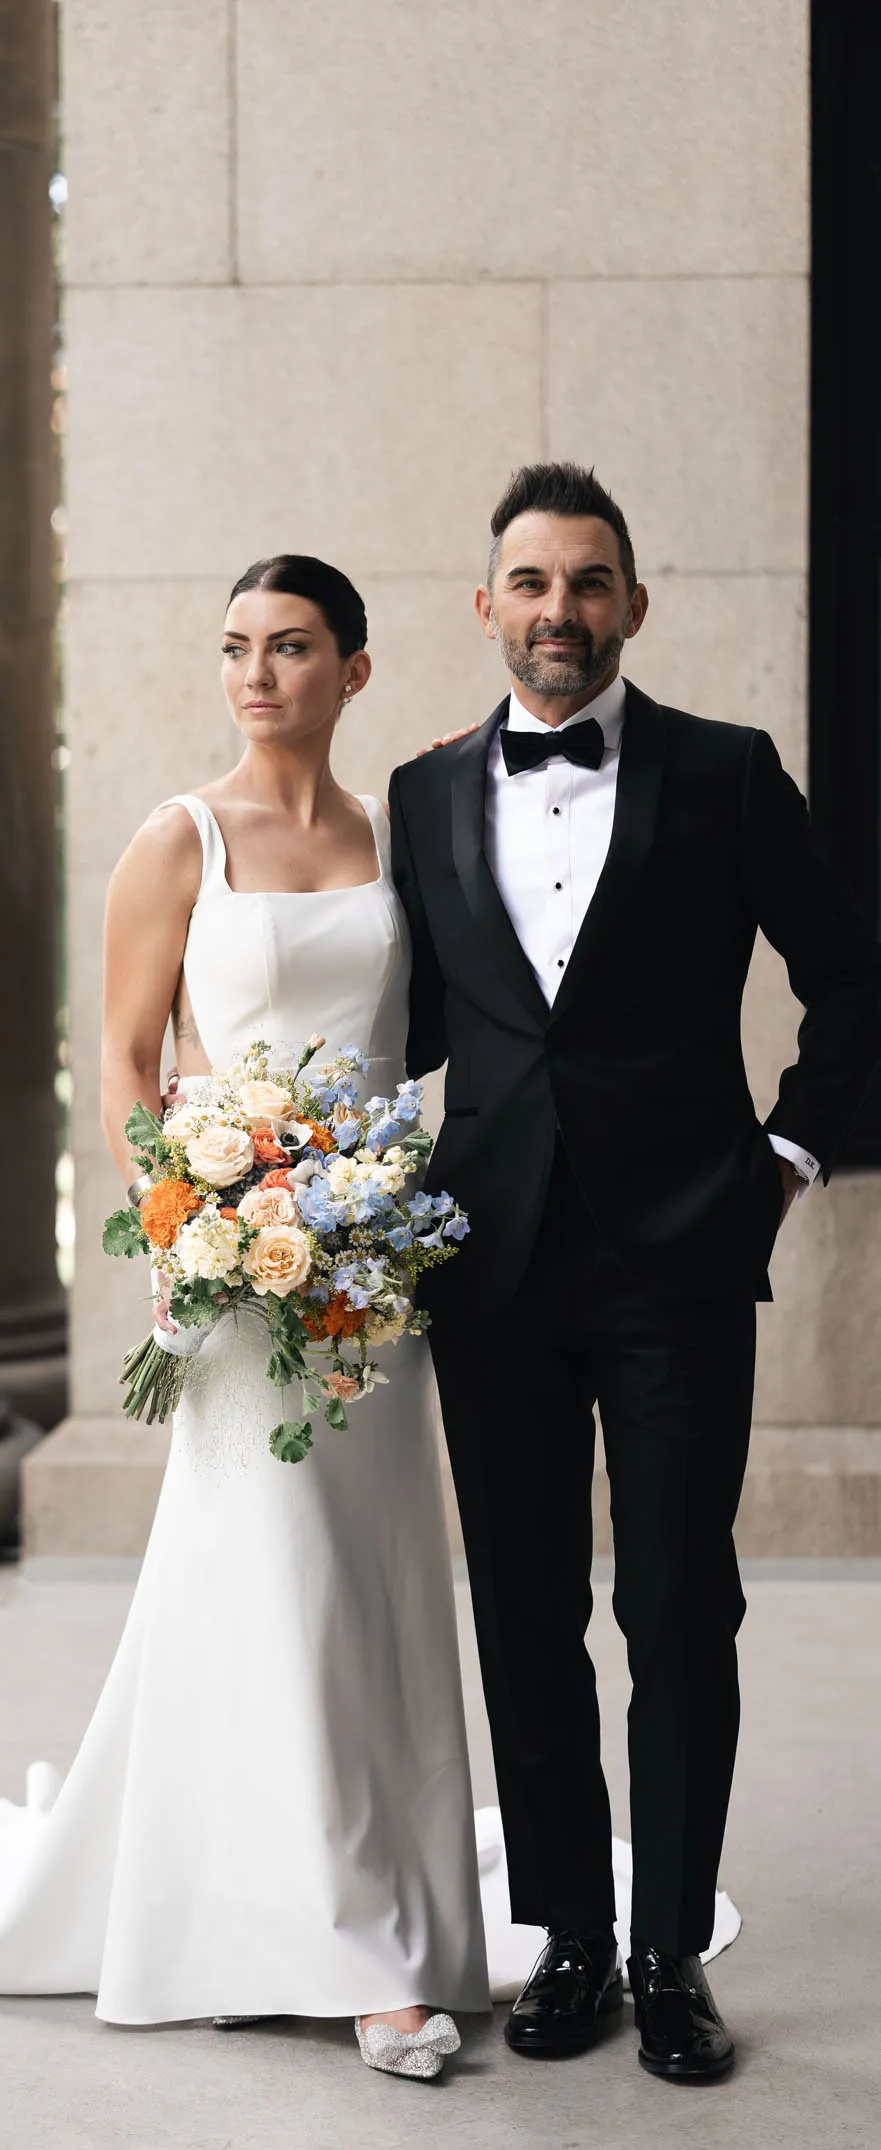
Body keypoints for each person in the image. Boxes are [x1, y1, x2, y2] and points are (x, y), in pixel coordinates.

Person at [0, 555, 494, 2082]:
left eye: (290, 646)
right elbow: (133, 1065)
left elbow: (419, 1047)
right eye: (234, 647)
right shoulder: (179, 839)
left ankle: (325, 1897)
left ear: (354, 667)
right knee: (273, 1578)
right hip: (234, 1273)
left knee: (375, 1578)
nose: (257, 673)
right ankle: (350, 1949)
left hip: (373, 1275)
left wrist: (370, 1200)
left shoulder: (401, 843)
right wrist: (188, 1221)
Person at [389, 462, 881, 2083]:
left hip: (678, 1259)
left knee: (678, 1605)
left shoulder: (728, 775)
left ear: (634, 605)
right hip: (490, 1266)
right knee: (525, 1610)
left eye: (590, 582)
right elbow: (396, 1037)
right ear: (487, 608)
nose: (560, 611)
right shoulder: (418, 790)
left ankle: (671, 1949)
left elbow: (851, 980)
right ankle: (570, 1939)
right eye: (531, 582)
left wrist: (786, 1162)